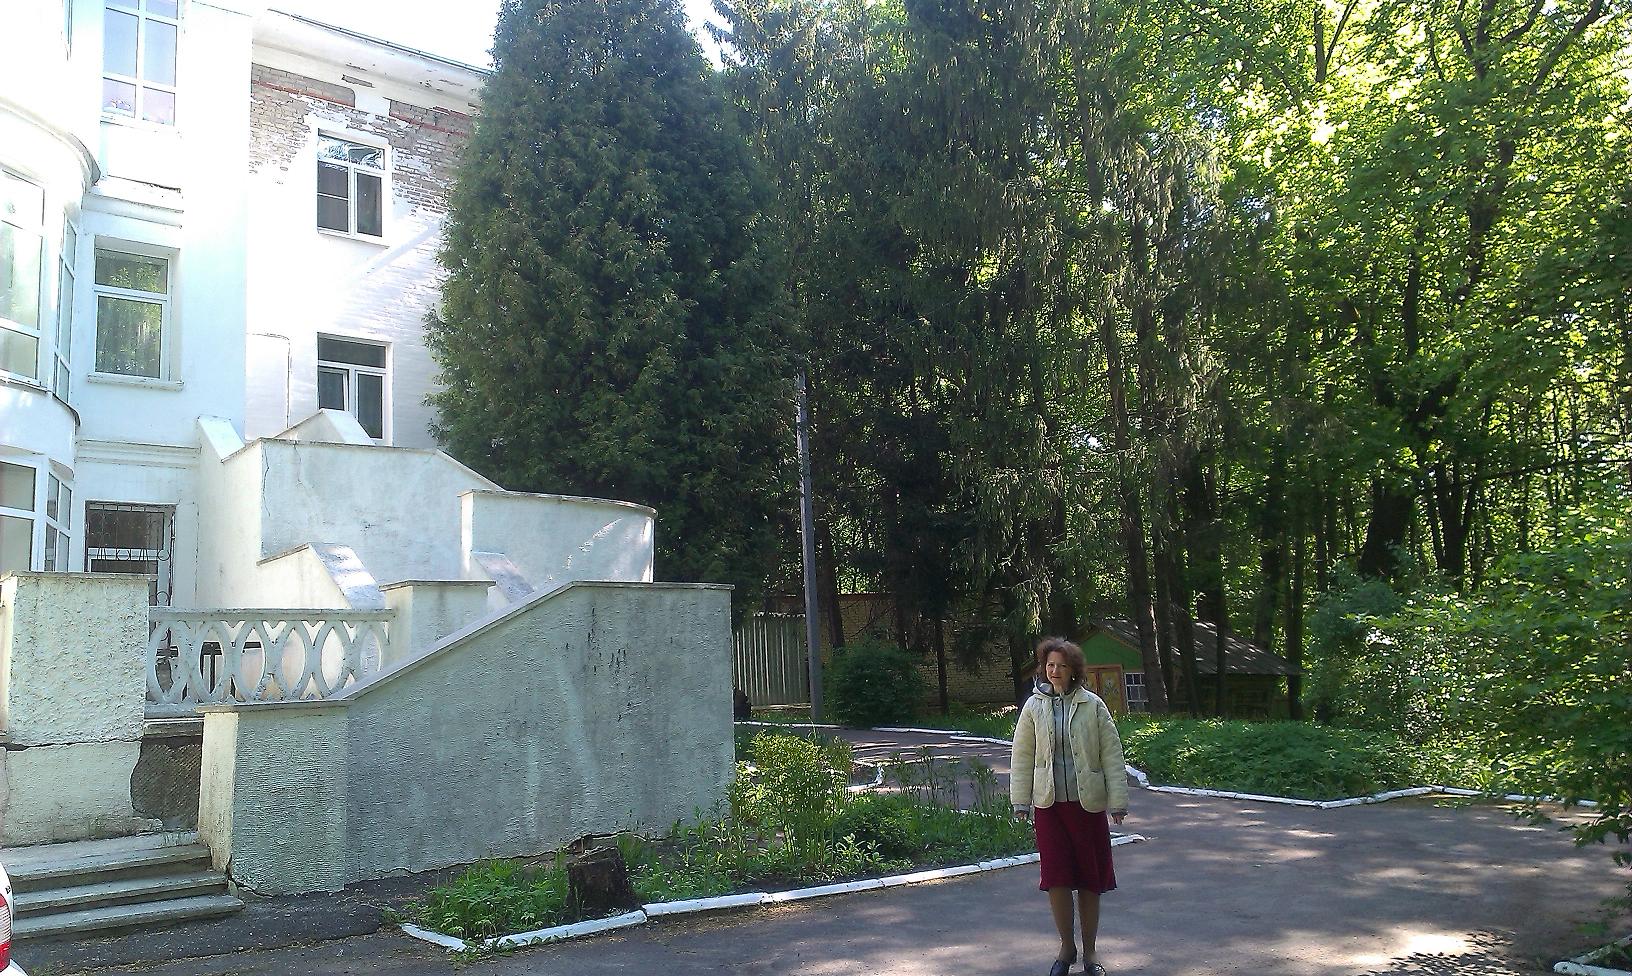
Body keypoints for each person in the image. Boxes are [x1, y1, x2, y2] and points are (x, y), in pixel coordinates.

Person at [1010, 636, 1129, 976]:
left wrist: (1117, 802)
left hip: (1086, 806)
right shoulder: (1033, 707)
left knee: (1090, 879)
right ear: (1043, 668)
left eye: (1062, 665)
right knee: (1057, 878)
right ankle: (1066, 948)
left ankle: (1091, 953)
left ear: (1073, 669)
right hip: (1049, 808)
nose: (1055, 671)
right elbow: (1022, 756)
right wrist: (1021, 801)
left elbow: (1112, 754)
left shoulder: (1093, 706)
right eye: (1050, 665)